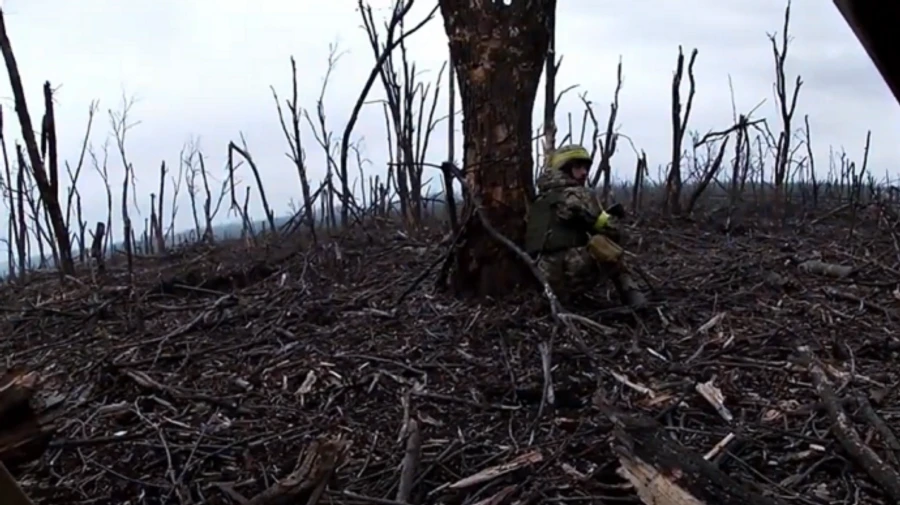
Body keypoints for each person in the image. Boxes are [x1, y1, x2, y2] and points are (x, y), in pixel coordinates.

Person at [525, 144, 647, 308]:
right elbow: (614, 231)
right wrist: (613, 221)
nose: (584, 172)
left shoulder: (539, 198)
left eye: (586, 167)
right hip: (567, 277)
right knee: (603, 244)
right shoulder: (578, 194)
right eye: (578, 167)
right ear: (564, 168)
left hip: (538, 279)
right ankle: (634, 297)